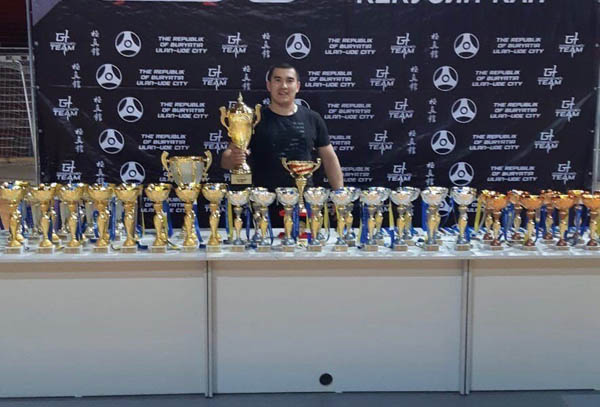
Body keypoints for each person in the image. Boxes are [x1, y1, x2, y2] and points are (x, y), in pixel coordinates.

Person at [221, 62, 343, 192]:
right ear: (269, 85)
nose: (283, 86)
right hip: (263, 199)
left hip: (303, 198)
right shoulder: (254, 119)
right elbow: (225, 161)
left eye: (289, 81)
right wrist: (234, 158)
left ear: (297, 86)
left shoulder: (313, 118)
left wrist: (340, 195)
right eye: (277, 80)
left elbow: (329, 159)